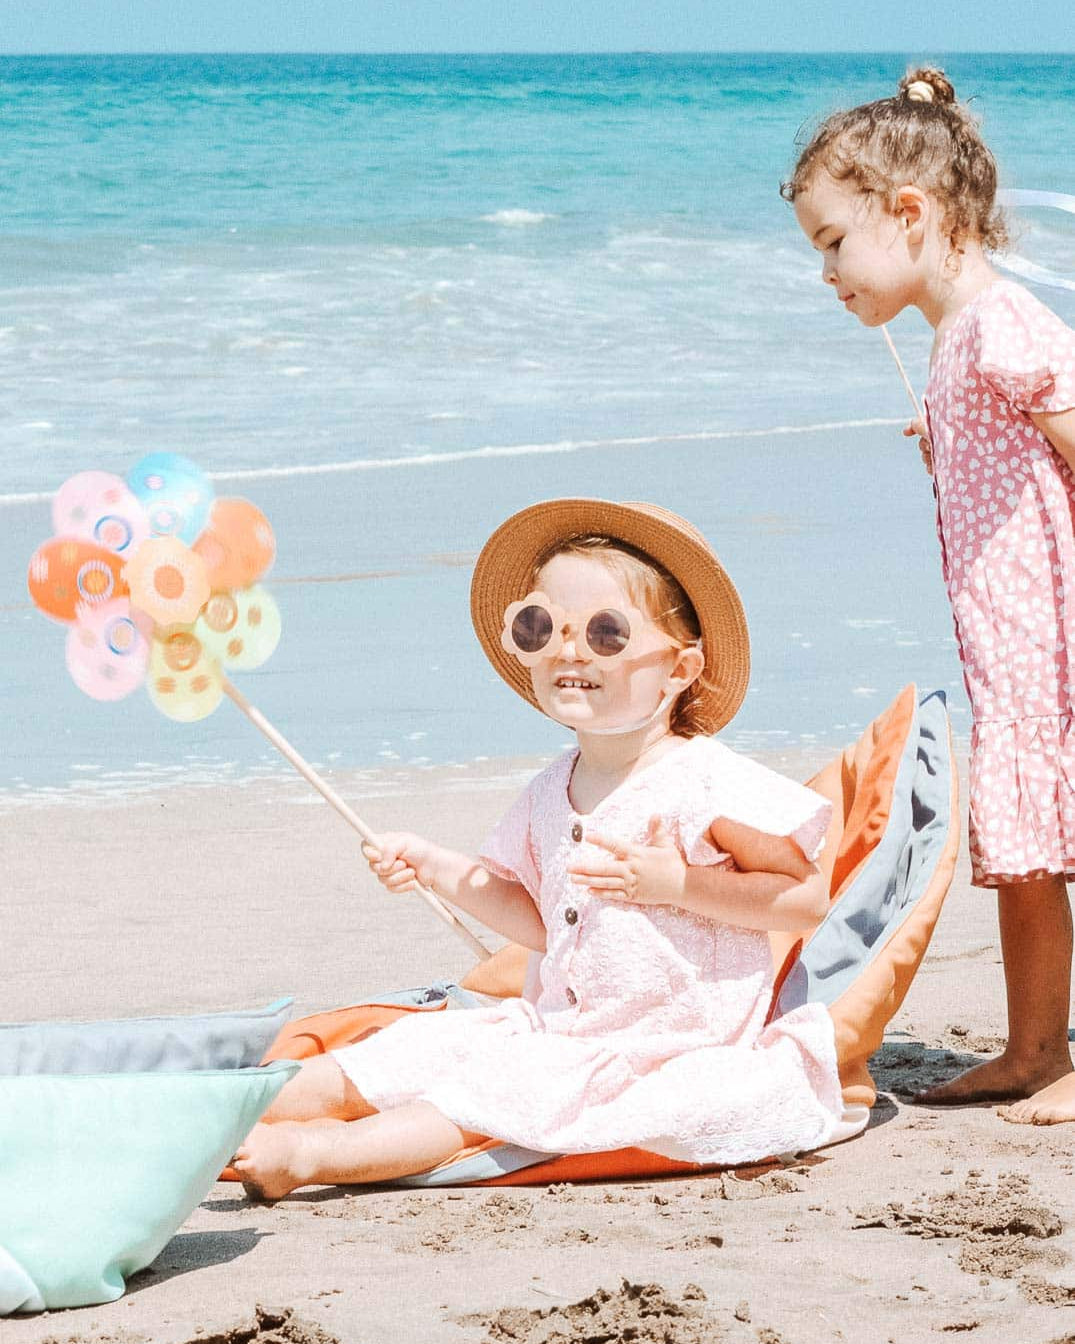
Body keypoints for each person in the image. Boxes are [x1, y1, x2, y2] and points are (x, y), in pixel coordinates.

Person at [233, 498, 845, 1199]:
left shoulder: (703, 782)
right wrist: (435, 867)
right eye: (540, 626)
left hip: (655, 1050)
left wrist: (677, 883)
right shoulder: (553, 787)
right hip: (552, 1026)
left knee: (487, 1099)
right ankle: (218, 1111)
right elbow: (539, 922)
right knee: (408, 1053)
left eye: (606, 633)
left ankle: (310, 1156)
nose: (568, 650)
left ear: (677, 669)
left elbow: (802, 899)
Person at [784, 67, 1075, 1124]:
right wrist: (956, 445)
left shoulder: (1003, 327)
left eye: (831, 243)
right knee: (1030, 849)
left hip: (1056, 640)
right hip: (1011, 648)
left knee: (1054, 833)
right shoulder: (960, 343)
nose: (825, 273)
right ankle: (1037, 1051)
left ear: (909, 213)